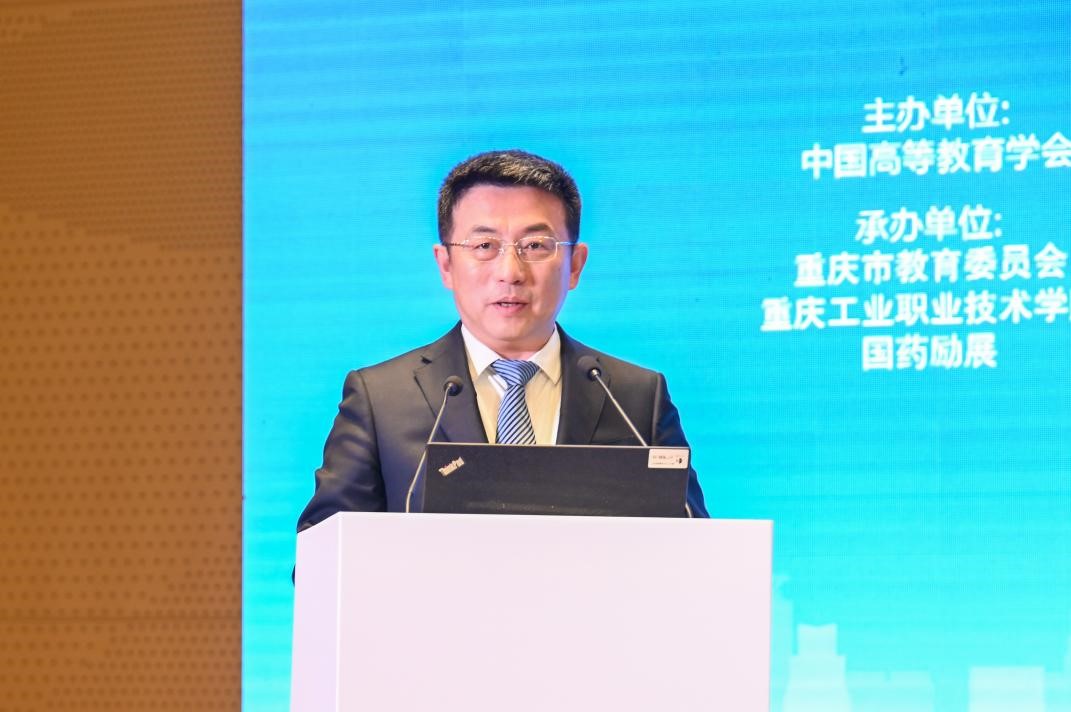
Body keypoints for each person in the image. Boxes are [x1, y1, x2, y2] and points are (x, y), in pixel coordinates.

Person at [297, 149, 707, 530]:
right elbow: (324, 558)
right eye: (484, 245)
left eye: (535, 245)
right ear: (446, 264)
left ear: (575, 265)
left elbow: (695, 551)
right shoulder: (380, 400)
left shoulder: (634, 397)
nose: (510, 272)